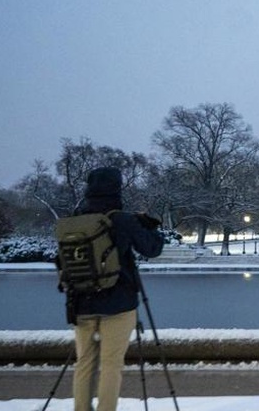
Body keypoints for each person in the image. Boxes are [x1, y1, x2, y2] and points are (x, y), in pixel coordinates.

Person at [69, 167, 164, 411]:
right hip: (118, 303)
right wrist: (149, 226)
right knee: (111, 365)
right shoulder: (121, 219)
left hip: (81, 301)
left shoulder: (75, 218)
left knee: (84, 363)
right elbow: (152, 249)